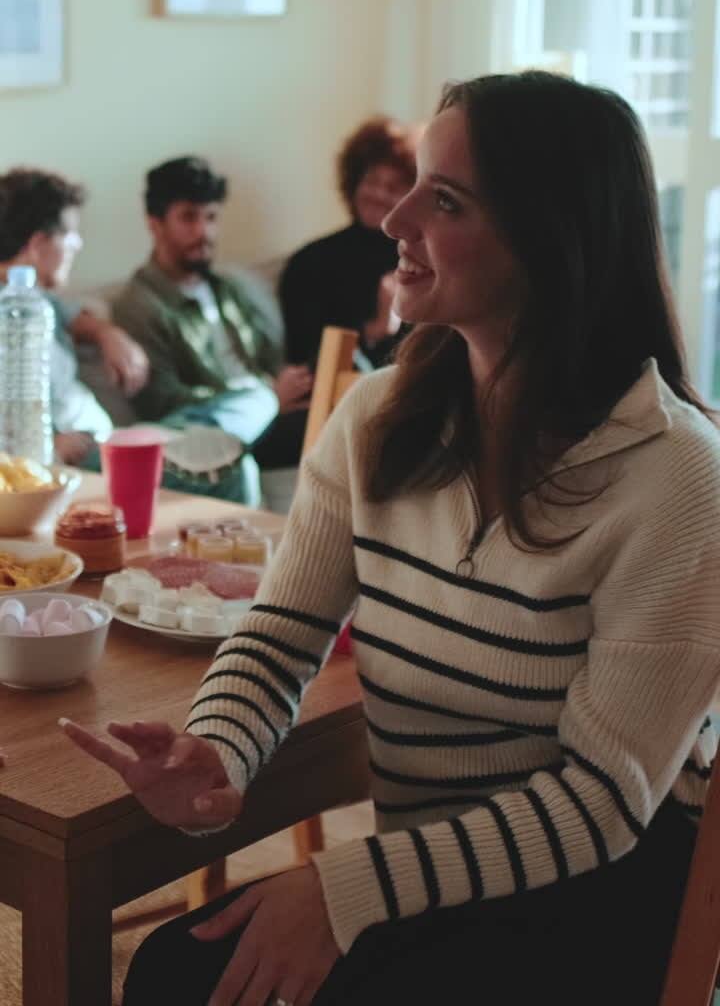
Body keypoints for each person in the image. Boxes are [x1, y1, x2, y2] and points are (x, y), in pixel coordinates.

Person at [62, 72, 720, 1006]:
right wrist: (217, 749)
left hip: (599, 899)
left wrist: (347, 888)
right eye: (412, 184)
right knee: (179, 972)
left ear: (550, 239)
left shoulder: (678, 477)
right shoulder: (376, 418)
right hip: (437, 876)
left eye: (444, 201)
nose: (395, 219)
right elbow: (279, 637)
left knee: (190, 980)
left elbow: (600, 804)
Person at [112, 157, 313, 488]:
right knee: (337, 428)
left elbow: (268, 358)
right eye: (188, 218)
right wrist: (268, 398)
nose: (203, 232)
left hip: (271, 412)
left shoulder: (227, 288)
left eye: (211, 217)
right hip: (218, 428)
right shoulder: (140, 305)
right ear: (155, 224)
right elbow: (162, 401)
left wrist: (286, 387)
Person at [0, 169, 148, 464]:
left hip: (100, 444)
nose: (77, 244)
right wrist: (49, 445)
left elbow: (72, 315)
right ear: (38, 245)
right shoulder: (13, 314)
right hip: (69, 460)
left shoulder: (37, 300)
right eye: (69, 233)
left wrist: (108, 333)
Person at [278, 116, 419, 369]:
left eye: (393, 187)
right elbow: (304, 358)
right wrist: (377, 328)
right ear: (354, 183)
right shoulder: (309, 262)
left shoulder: (420, 262)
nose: (379, 194)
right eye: (372, 181)